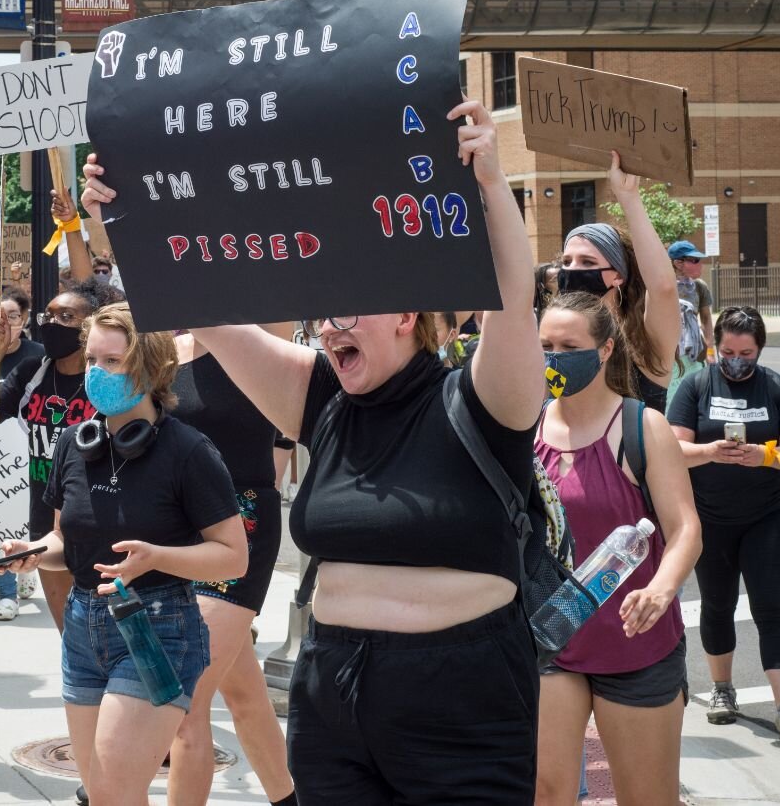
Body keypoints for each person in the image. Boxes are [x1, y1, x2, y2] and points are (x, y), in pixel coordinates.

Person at [80, 93, 546, 802]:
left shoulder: (479, 403)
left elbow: (513, 300)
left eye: (349, 310)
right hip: (332, 705)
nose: (330, 328)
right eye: (324, 314)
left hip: (462, 710)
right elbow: (199, 303)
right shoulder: (321, 398)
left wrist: (489, 182)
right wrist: (124, 218)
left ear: (407, 315)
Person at [0, 303, 247, 806]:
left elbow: (233, 557)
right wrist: (33, 552)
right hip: (84, 627)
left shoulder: (189, 452)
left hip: (158, 628)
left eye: (112, 361)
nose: (95, 372)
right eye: (92, 359)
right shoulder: (74, 443)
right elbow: (66, 543)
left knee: (113, 793)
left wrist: (156, 556)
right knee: (106, 793)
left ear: (150, 368)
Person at [535, 291, 701, 806]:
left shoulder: (641, 425)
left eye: (568, 346)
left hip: (635, 641)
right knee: (546, 793)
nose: (554, 359)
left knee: (647, 797)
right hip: (551, 639)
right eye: (545, 346)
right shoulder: (526, 424)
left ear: (605, 350)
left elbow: (686, 530)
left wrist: (660, 588)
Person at [667, 306, 780, 744]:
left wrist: (766, 456)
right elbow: (674, 448)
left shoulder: (777, 388)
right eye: (727, 350)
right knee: (717, 604)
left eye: (746, 352)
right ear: (716, 347)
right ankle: (722, 689)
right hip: (710, 516)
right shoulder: (695, 385)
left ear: (759, 350)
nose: (736, 359)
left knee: (772, 609)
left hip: (766, 516)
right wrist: (711, 451)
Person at [167, 321, 297, 806]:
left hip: (241, 525)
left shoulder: (258, 336)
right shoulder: (161, 349)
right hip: (176, 530)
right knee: (243, 694)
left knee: (185, 702)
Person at [0, 275, 124, 630]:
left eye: (65, 317)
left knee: (107, 634)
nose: (52, 324)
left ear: (89, 326)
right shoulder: (33, 372)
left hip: (99, 523)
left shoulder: (107, 379)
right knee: (72, 637)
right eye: (47, 316)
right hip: (45, 526)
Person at [558, 154, 679, 414]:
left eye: (588, 262)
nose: (572, 270)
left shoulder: (643, 346)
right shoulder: (549, 336)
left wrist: (628, 197)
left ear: (618, 275)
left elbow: (664, 289)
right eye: (566, 261)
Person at [0, 287, 45, 620]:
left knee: (28, 518)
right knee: (0, 522)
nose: (5, 322)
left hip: (29, 449)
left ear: (23, 320)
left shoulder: (37, 354)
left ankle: (28, 565)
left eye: (12, 316)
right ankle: (6, 594)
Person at [668, 240, 713, 399]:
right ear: (678, 263)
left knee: (696, 397)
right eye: (694, 260)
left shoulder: (700, 287)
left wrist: (710, 351)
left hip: (694, 354)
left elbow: (706, 320)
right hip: (669, 356)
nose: (700, 264)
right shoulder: (663, 287)